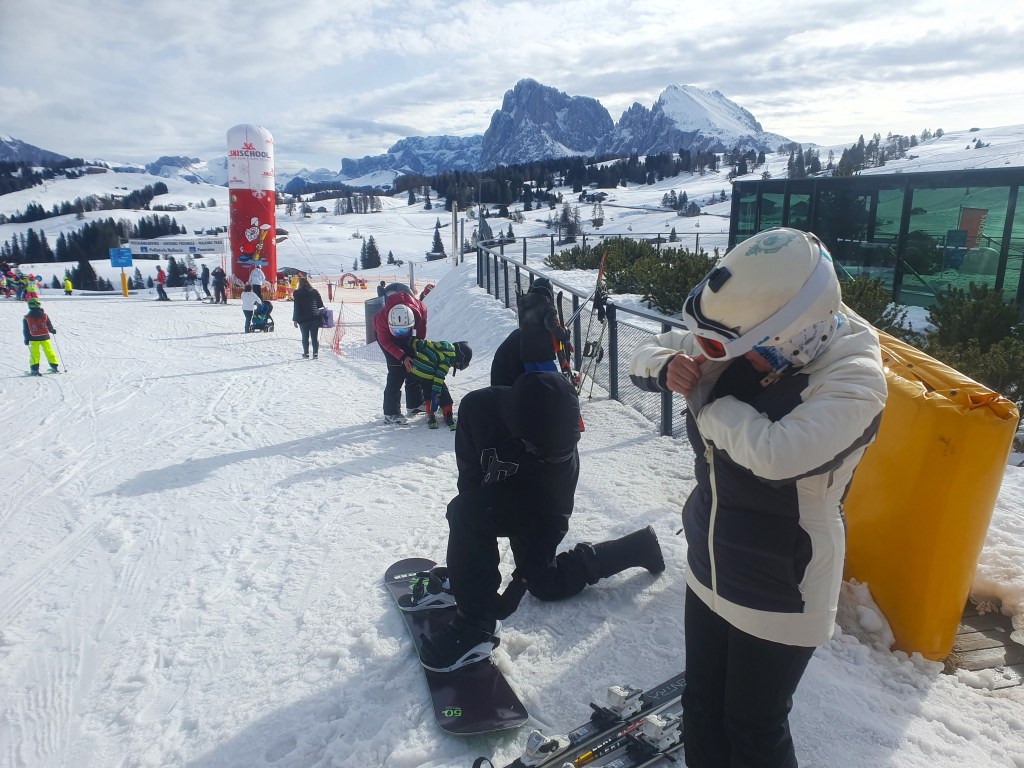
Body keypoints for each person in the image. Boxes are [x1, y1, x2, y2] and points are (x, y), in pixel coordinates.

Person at [628, 228, 888, 768]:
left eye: (759, 352)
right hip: (709, 561)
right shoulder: (747, 332)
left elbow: (778, 455)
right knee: (701, 705)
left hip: (782, 585)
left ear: (799, 336)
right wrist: (665, 367)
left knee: (753, 728)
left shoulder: (855, 379)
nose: (745, 362)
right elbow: (650, 350)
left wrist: (705, 400)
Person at [413, 372, 666, 672]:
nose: (555, 458)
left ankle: (638, 547)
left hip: (536, 504)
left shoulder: (563, 455)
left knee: (544, 584)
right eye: (542, 452)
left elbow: (554, 523)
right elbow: (470, 487)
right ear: (519, 435)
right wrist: (472, 576)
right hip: (498, 495)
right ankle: (475, 626)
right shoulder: (478, 410)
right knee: (465, 513)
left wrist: (520, 582)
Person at [373, 286, 428, 424]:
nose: (400, 335)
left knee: (413, 365)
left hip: (406, 332)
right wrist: (402, 357)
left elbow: (421, 333)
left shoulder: (420, 312)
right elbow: (385, 341)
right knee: (396, 371)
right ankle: (391, 413)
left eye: (403, 331)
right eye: (397, 331)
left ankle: (415, 404)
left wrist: (417, 347)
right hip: (386, 337)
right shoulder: (381, 319)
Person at [404, 339, 473, 428]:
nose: (454, 366)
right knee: (442, 390)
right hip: (427, 374)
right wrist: (436, 394)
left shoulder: (437, 345)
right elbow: (439, 377)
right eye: (458, 364)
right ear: (459, 356)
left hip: (413, 370)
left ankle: (431, 415)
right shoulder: (448, 358)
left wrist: (411, 341)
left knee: (427, 390)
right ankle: (448, 415)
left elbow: (421, 344)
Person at [517, 277, 569, 373]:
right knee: (551, 380)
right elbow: (551, 325)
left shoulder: (523, 303)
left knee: (533, 380)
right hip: (542, 354)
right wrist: (564, 334)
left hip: (525, 353)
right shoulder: (546, 305)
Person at [23, 298, 60, 375]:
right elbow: (48, 324)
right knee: (49, 351)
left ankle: (34, 370)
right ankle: (54, 367)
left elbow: (26, 330)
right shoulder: (44, 315)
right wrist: (52, 330)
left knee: (35, 353)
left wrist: (26, 339)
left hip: (34, 338)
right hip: (45, 337)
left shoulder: (27, 318)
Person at [291, 276, 325, 358]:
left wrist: (295, 320)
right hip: (315, 317)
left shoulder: (297, 293)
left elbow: (296, 307)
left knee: (305, 337)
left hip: (303, 319)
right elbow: (320, 305)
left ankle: (306, 353)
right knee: (314, 337)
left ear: (300, 284)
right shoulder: (314, 291)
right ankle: (315, 353)